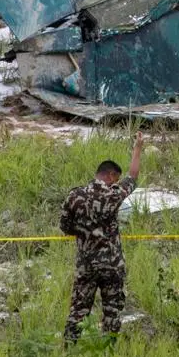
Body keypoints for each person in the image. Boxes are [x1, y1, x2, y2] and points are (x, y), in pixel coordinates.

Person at [59, 131, 144, 341]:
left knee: (78, 309)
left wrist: (84, 234)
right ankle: (108, 351)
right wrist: (138, 148)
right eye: (116, 179)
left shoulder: (75, 195)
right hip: (111, 265)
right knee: (112, 312)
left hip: (86, 264)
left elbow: (65, 226)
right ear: (111, 176)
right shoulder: (113, 194)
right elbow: (132, 177)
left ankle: (70, 348)